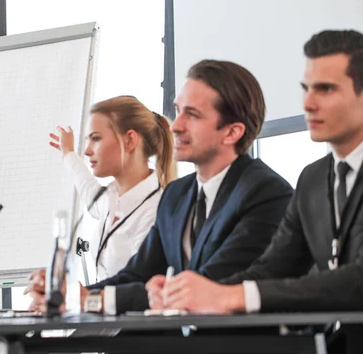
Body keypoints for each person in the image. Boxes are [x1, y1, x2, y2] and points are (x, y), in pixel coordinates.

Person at [27, 60, 293, 315]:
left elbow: (206, 287)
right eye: (178, 111)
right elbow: (137, 274)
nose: (175, 126)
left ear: (232, 133)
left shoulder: (266, 193)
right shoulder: (177, 195)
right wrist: (72, 295)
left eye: (193, 115)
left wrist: (92, 300)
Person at [148, 31, 363, 318]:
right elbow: (274, 268)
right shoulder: (313, 178)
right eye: (306, 88)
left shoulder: (267, 188)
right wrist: (195, 298)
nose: (307, 104)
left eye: (325, 89)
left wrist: (232, 296)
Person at [48, 95, 176, 282]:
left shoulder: (155, 211)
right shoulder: (111, 198)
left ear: (130, 141)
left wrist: (78, 296)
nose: (87, 151)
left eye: (96, 139)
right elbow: (88, 189)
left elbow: (135, 288)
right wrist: (68, 153)